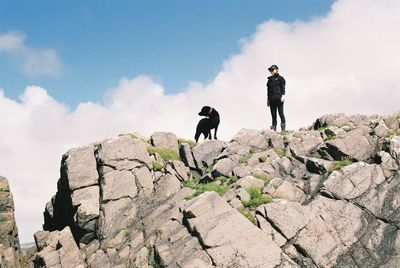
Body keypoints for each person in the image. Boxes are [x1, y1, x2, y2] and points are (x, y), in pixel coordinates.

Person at [266, 64, 286, 132]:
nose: (271, 71)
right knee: (273, 116)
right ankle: (274, 130)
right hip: (271, 100)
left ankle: (283, 129)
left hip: (279, 99)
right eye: (270, 70)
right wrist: (268, 100)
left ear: (277, 70)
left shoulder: (280, 78)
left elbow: (283, 87)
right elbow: (268, 91)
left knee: (281, 113)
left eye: (272, 69)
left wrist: (283, 95)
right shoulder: (269, 80)